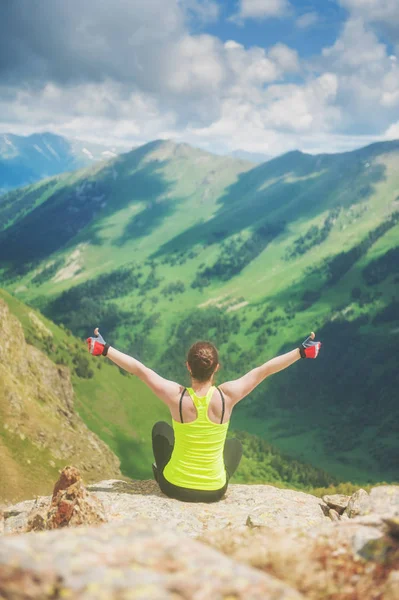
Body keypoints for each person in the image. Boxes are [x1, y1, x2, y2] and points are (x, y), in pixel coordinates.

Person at [87, 328, 322, 503]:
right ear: (216, 368)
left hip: (173, 487)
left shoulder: (176, 397)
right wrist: (302, 352)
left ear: (188, 367)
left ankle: (160, 473)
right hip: (214, 491)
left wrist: (104, 349)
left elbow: (139, 370)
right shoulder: (227, 396)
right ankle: (208, 475)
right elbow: (264, 370)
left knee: (161, 429)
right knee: (234, 446)